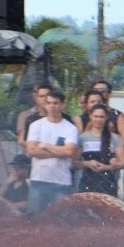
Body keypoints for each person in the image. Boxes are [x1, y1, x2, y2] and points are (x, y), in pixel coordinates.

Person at [21, 85, 78, 214]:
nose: (52, 106)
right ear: (45, 105)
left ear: (63, 105)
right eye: (49, 103)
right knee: (35, 218)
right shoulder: (36, 125)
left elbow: (69, 152)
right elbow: (31, 151)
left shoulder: (70, 128)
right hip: (39, 178)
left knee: (60, 219)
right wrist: (60, 152)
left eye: (56, 103)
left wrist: (45, 146)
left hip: (62, 181)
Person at [73, 104, 123, 196]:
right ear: (90, 116)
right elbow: (75, 163)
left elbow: (123, 163)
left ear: (106, 118)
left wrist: (107, 167)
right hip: (87, 181)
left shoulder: (115, 138)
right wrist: (88, 163)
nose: (98, 120)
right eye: (96, 116)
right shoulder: (82, 138)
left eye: (101, 117)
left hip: (108, 182)